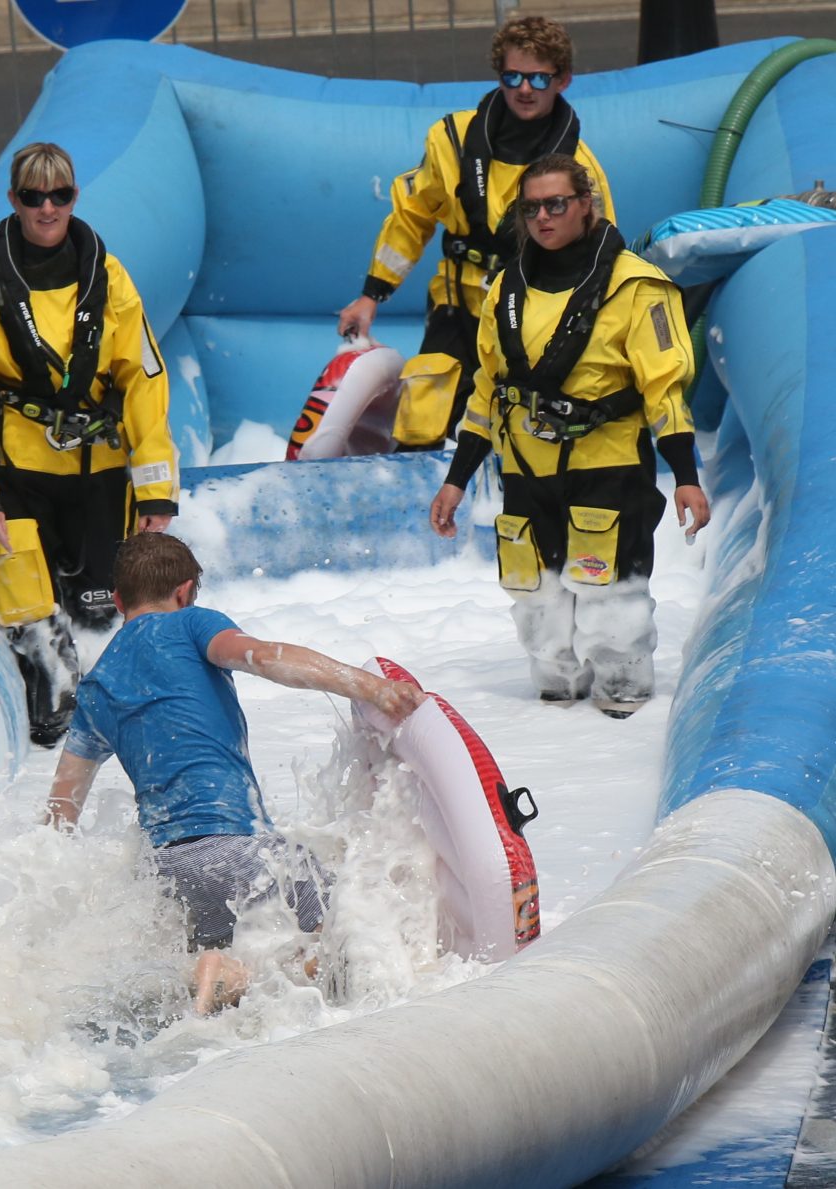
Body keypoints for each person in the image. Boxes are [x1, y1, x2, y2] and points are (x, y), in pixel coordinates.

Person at [45, 532, 425, 1014]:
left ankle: (214, 968)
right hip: (239, 851)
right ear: (184, 593)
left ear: (119, 600)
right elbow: (264, 657)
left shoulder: (96, 689)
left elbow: (60, 815)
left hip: (166, 875)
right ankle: (244, 970)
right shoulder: (190, 625)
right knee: (355, 937)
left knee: (234, 980)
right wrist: (368, 686)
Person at [428, 154, 710, 718]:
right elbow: (488, 390)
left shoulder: (638, 287)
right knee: (536, 595)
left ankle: (622, 695)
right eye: (530, 207)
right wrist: (456, 480)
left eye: (557, 203)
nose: (543, 217)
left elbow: (665, 392)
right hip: (526, 469)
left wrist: (685, 476)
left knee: (610, 597)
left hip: (606, 466)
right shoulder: (504, 289)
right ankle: (556, 692)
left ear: (587, 205)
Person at [0, 142, 179, 747]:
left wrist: (156, 491)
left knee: (101, 612)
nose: (47, 208)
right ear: (14, 200)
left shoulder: (111, 278)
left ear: (74, 198)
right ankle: (48, 704)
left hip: (98, 472)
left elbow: (144, 380)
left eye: (60, 195)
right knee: (36, 631)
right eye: (34, 196)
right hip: (13, 473)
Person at [337, 15, 615, 451]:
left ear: (563, 81)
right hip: (457, 300)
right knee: (423, 410)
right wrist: (373, 294)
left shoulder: (579, 169)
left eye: (540, 78)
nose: (525, 89)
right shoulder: (450, 140)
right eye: (514, 76)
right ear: (499, 76)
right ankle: (416, 505)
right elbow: (412, 218)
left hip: (531, 311)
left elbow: (600, 259)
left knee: (522, 428)